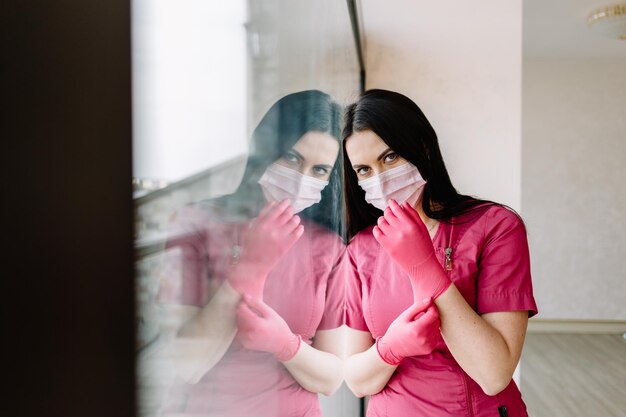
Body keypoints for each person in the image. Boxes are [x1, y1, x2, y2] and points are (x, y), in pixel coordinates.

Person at [341, 89, 538, 417]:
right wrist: (392, 347)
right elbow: (358, 382)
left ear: (423, 148)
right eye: (363, 169)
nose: (380, 179)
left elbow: (494, 374)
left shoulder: (495, 227)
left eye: (390, 157)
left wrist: (423, 267)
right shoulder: (361, 248)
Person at [154, 90, 346, 417]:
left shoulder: (329, 248)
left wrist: (285, 344)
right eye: (292, 158)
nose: (301, 179)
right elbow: (186, 365)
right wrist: (248, 270)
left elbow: (331, 379)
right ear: (265, 150)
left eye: (319, 170)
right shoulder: (196, 223)